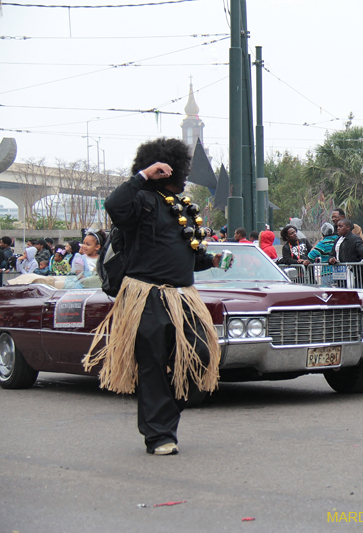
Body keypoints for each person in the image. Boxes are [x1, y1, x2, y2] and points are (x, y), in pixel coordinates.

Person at [83, 137, 223, 456]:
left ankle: (163, 417)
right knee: (154, 364)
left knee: (201, 355)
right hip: (146, 296)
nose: (182, 174)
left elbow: (188, 253)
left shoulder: (185, 206)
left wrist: (210, 260)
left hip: (183, 297)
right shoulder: (142, 201)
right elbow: (113, 205)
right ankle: (159, 435)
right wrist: (144, 175)